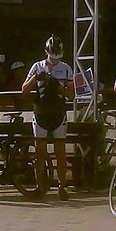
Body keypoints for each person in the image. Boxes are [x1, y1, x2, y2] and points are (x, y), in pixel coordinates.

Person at [22, 36, 74, 200]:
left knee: (60, 152)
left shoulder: (66, 68)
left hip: (58, 113)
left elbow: (71, 94)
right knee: (40, 153)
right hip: (41, 113)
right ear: (46, 52)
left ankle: (61, 186)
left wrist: (57, 86)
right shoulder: (37, 66)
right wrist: (36, 78)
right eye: (52, 57)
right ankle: (40, 187)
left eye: (57, 57)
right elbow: (24, 90)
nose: (54, 60)